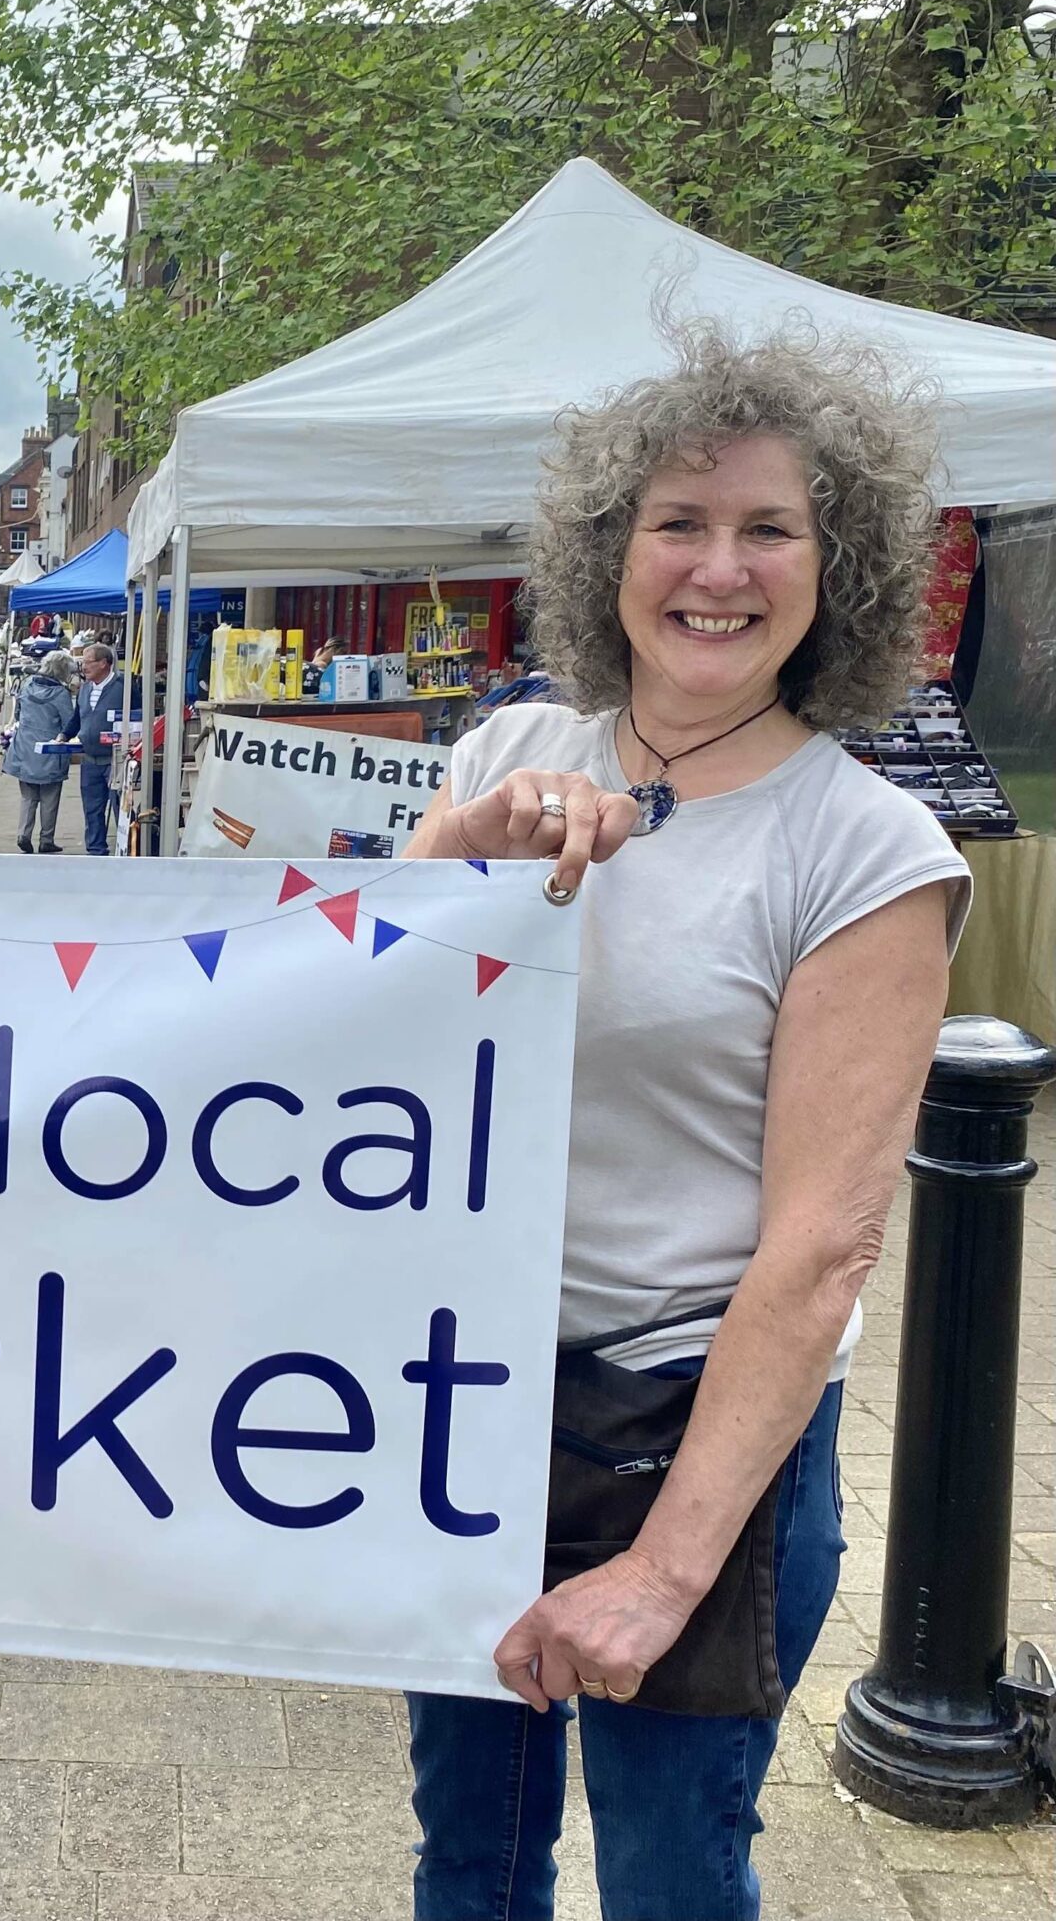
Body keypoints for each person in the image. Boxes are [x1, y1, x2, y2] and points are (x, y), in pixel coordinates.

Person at [397, 326, 967, 1921]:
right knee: (472, 1858)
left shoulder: (867, 849)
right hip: (478, 1409)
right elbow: (357, 1021)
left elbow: (822, 1250)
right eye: (679, 523)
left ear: (833, 567)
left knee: (668, 1880)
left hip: (694, 1437)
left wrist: (662, 1571)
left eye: (769, 528)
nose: (719, 569)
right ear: (610, 550)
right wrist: (463, 847)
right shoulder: (511, 747)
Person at [4, 651, 79, 853]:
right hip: (50, 750)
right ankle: (46, 840)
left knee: (28, 796)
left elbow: (18, 714)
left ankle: (23, 834)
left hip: (25, 748)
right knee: (49, 797)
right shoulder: (61, 694)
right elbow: (69, 723)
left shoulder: (27, 685)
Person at [75, 642, 124, 854]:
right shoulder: (84, 688)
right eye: (83, 662)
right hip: (90, 760)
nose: (84, 667)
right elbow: (78, 717)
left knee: (119, 809)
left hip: (116, 761)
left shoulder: (123, 687)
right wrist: (63, 735)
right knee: (92, 810)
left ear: (104, 663)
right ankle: (95, 851)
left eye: (88, 662)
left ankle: (124, 850)